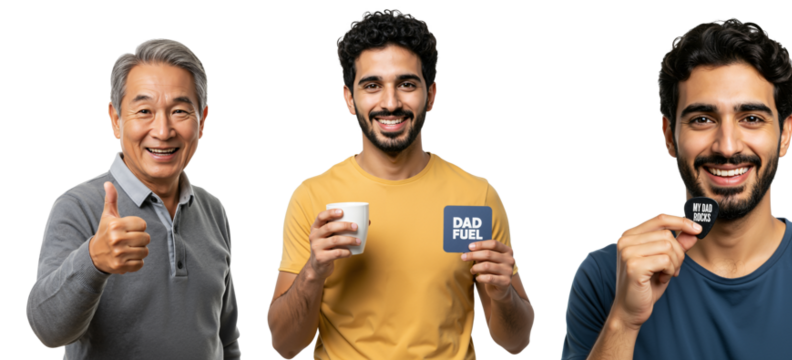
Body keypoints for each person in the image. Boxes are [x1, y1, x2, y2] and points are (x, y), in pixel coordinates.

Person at [560, 18, 792, 359]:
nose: (726, 146)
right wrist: (623, 321)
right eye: (702, 119)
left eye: (751, 118)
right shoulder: (605, 277)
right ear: (668, 136)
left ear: (785, 134)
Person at [264, 9, 535, 359]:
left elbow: (516, 342)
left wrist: (502, 294)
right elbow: (284, 346)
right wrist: (314, 271)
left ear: (432, 95)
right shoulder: (312, 197)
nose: (390, 103)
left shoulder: (477, 197)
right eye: (372, 85)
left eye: (406, 84)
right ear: (349, 98)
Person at [25, 38, 242, 359]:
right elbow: (46, 330)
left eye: (180, 111)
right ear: (115, 119)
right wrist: (93, 260)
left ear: (203, 122)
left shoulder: (214, 209)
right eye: (144, 111)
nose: (163, 130)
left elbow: (226, 337)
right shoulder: (78, 206)